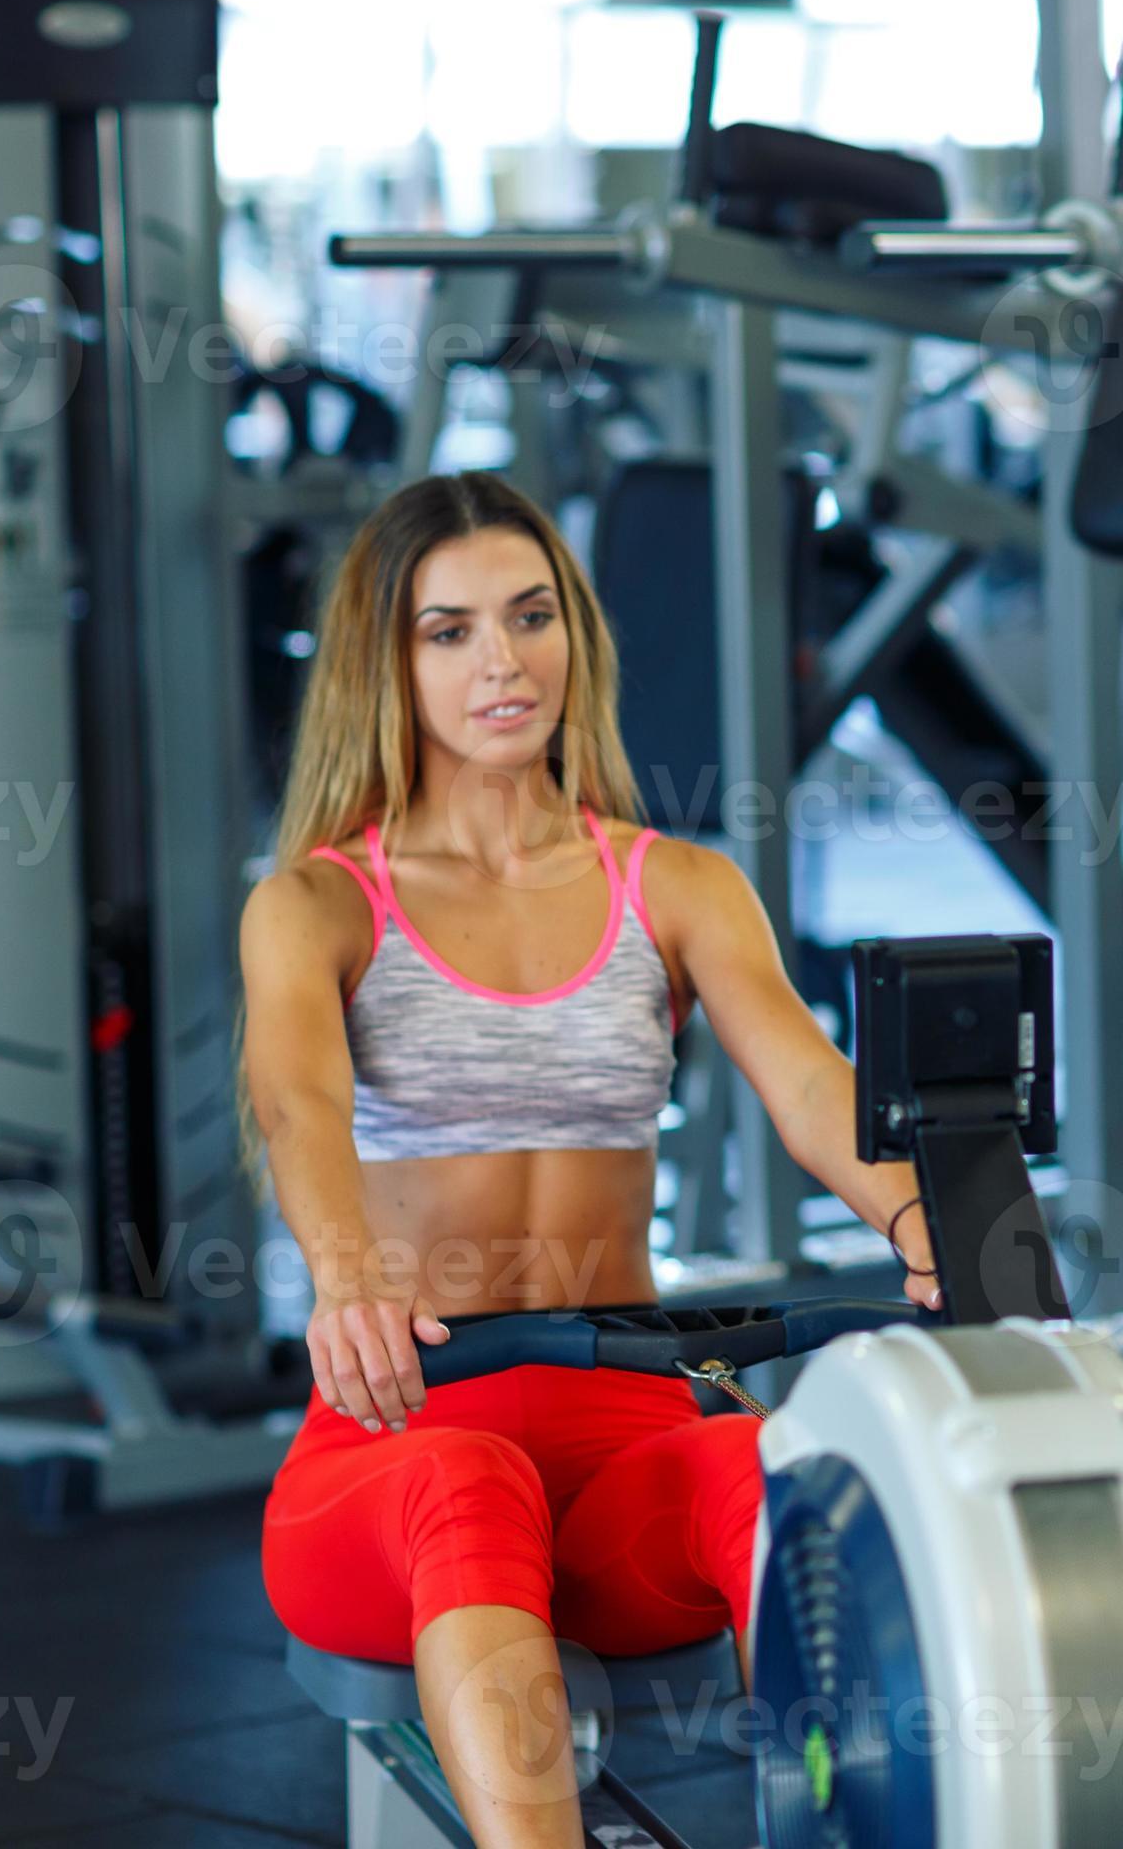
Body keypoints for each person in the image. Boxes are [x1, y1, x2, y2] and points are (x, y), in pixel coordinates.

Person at [238, 473, 938, 1849]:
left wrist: (938, 1217)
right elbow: (298, 1107)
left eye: (530, 615)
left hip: (626, 1431)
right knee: (465, 1483)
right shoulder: (318, 902)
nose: (503, 661)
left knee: (775, 1469)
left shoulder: (672, 884)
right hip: (404, 1440)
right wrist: (348, 1277)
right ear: (388, 662)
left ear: (577, 636)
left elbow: (809, 1085)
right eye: (449, 632)